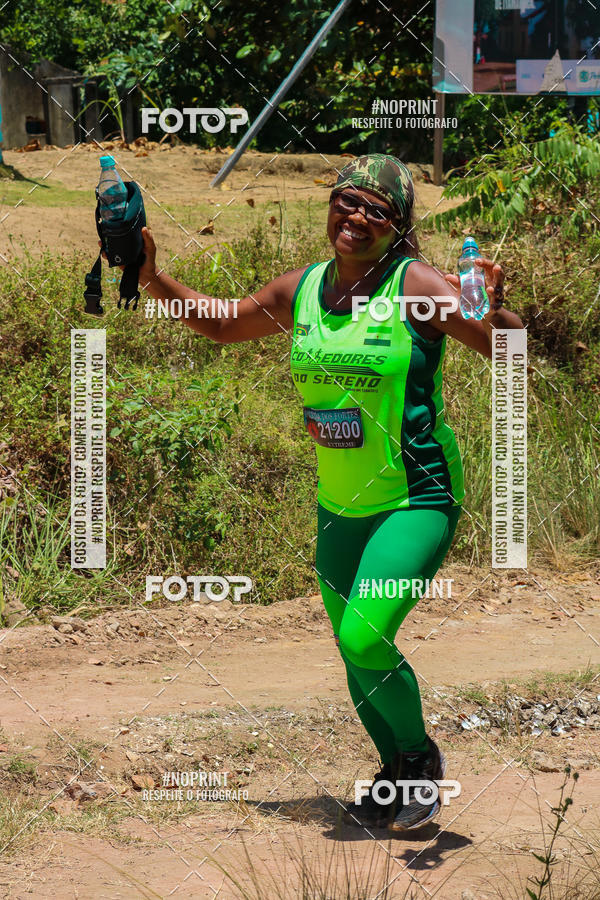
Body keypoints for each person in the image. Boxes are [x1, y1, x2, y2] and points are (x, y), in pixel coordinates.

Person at [117, 153, 523, 832]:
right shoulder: (302, 290)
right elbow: (221, 322)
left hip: (413, 497)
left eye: (377, 210)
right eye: (348, 201)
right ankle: (394, 777)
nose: (357, 217)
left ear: (397, 228)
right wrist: (150, 273)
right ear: (329, 205)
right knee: (351, 646)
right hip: (337, 504)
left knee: (366, 639)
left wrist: (498, 306)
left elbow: (508, 353)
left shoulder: (415, 284)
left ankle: (421, 761)